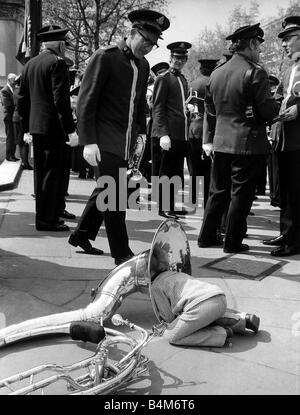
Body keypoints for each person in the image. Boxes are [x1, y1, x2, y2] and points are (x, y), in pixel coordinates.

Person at [68, 9, 170, 264]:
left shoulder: (144, 65)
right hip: (103, 141)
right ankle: (122, 254)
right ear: (133, 33)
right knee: (115, 197)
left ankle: (81, 234)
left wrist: (140, 137)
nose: (148, 47)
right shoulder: (105, 57)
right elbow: (86, 100)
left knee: (108, 189)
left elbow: (137, 106)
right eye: (145, 40)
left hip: (125, 143)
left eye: (152, 43)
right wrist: (88, 140)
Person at [197, 23, 280, 253]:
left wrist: (212, 137)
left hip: (221, 142)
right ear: (252, 44)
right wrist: (278, 107)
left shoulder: (216, 73)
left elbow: (210, 109)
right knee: (241, 196)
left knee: (218, 192)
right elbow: (267, 110)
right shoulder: (256, 72)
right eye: (259, 47)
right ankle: (232, 242)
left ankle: (206, 236)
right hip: (247, 143)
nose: (260, 52)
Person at [18, 25, 79, 232]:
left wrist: (26, 128)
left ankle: (47, 215)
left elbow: (23, 100)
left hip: (37, 128)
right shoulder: (57, 63)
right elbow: (60, 100)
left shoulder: (30, 64)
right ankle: (47, 220)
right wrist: (70, 130)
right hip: (53, 129)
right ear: (59, 43)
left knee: (42, 174)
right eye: (64, 43)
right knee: (52, 176)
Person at [149, 247, 260, 347]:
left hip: (201, 305)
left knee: (171, 335)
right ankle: (242, 320)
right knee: (198, 316)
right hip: (218, 296)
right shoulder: (174, 273)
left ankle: (221, 334)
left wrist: (162, 326)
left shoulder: (155, 286)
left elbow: (169, 318)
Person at [263, 16, 300, 257]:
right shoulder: (288, 68)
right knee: (285, 190)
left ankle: (295, 241)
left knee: (296, 191)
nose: (284, 44)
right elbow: (278, 97)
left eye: (289, 39)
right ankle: (286, 233)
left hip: (298, 140)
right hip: (284, 138)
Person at [151, 41, 192, 219]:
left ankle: (173, 205)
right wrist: (163, 133)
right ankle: (164, 206)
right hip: (168, 133)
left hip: (181, 133)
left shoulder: (182, 79)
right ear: (170, 58)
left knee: (176, 172)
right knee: (166, 171)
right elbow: (157, 107)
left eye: (182, 58)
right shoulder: (163, 78)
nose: (179, 61)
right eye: (176, 57)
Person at [187, 58, 219, 209]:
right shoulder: (211, 83)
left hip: (193, 127)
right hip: (207, 130)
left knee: (194, 168)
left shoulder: (193, 83)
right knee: (207, 171)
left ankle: (192, 200)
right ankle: (206, 202)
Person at [12, 75, 33, 170]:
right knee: (23, 142)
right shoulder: (20, 90)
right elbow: (23, 106)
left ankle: (24, 161)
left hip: (17, 117)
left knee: (21, 141)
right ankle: (25, 162)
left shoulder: (16, 90)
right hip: (21, 118)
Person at [0, 73, 19, 162]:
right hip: (8, 116)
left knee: (14, 136)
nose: (15, 81)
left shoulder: (13, 89)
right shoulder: (4, 90)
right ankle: (9, 155)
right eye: (13, 79)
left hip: (13, 116)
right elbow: (7, 105)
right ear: (9, 79)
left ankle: (12, 154)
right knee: (10, 136)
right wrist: (17, 107)